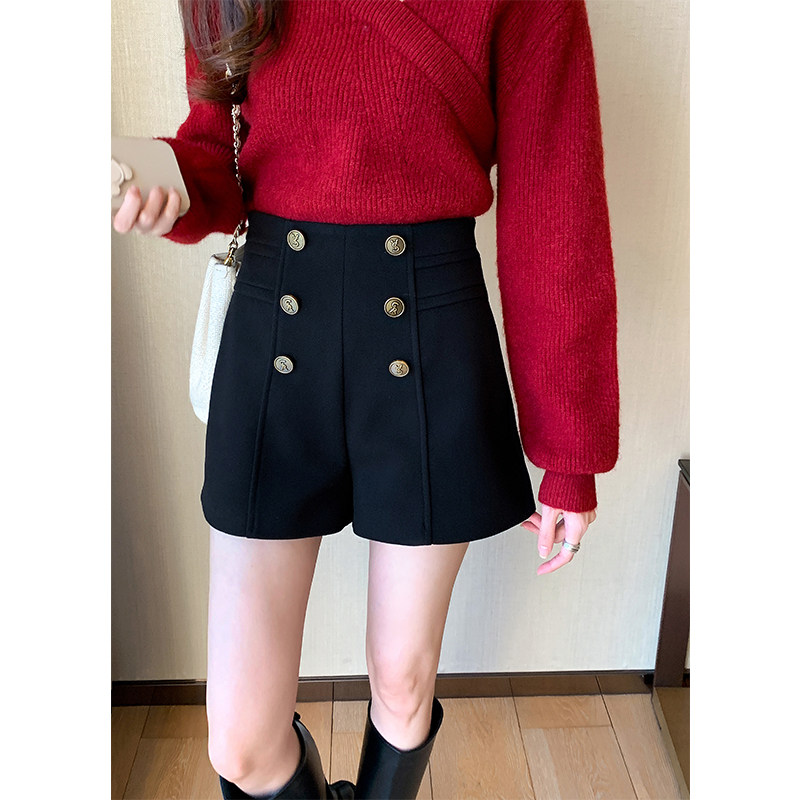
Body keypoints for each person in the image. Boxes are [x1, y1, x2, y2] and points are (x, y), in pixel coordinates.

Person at [112, 1, 619, 797]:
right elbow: (218, 159)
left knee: (403, 681)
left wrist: (569, 453)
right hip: (275, 326)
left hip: (431, 328)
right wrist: (162, 178)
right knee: (239, 741)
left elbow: (556, 202)